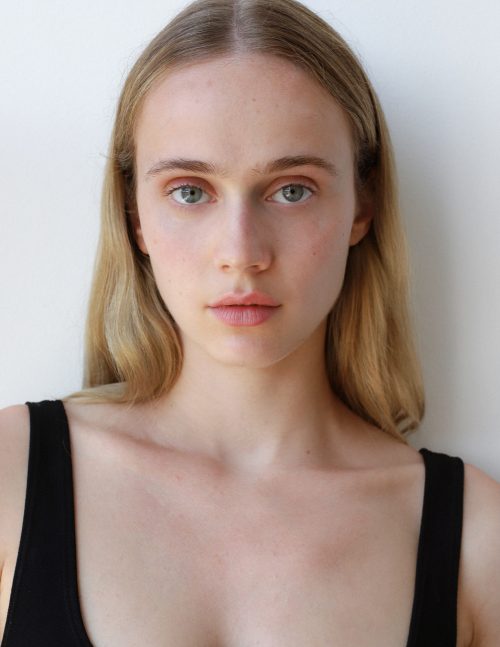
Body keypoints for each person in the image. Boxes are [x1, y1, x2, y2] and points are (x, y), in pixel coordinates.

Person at [0, 0, 499, 644]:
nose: (241, 252)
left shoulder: (477, 541)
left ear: (362, 205)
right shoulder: (10, 477)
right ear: (134, 217)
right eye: (190, 190)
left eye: (292, 189)